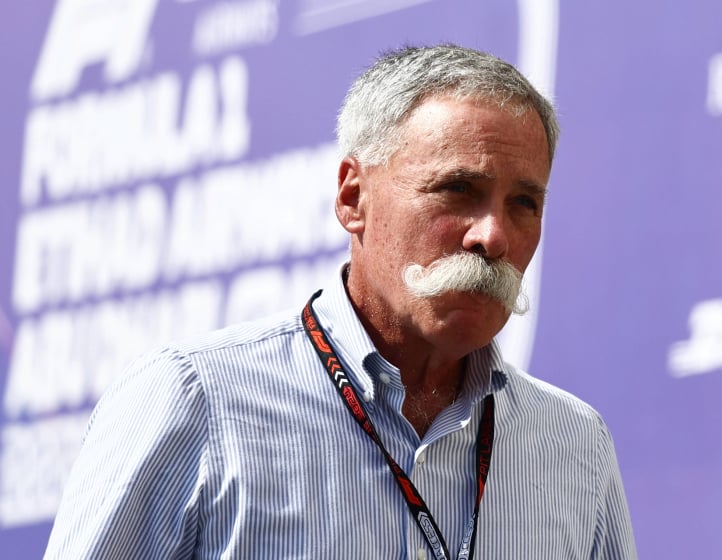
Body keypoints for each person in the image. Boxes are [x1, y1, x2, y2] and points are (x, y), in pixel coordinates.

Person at [45, 44, 637, 559]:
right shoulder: (196, 401)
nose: (494, 236)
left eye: (524, 203)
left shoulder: (573, 444)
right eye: (459, 190)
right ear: (354, 198)